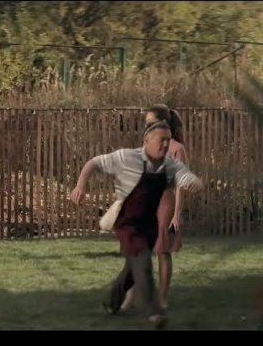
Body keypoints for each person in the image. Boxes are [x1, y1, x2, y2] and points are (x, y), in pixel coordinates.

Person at [70, 121, 203, 329]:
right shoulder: (127, 157)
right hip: (127, 224)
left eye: (168, 140)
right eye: (162, 140)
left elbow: (186, 176)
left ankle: (111, 301)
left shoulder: (170, 165)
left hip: (149, 225)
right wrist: (80, 185)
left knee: (132, 270)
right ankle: (155, 313)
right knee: (143, 261)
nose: (166, 144)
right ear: (147, 140)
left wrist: (195, 182)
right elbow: (94, 163)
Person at [121, 104, 188, 311]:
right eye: (146, 123)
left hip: (165, 203)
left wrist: (177, 214)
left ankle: (162, 298)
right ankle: (129, 299)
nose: (147, 125)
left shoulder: (177, 149)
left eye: (150, 122)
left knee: (162, 252)